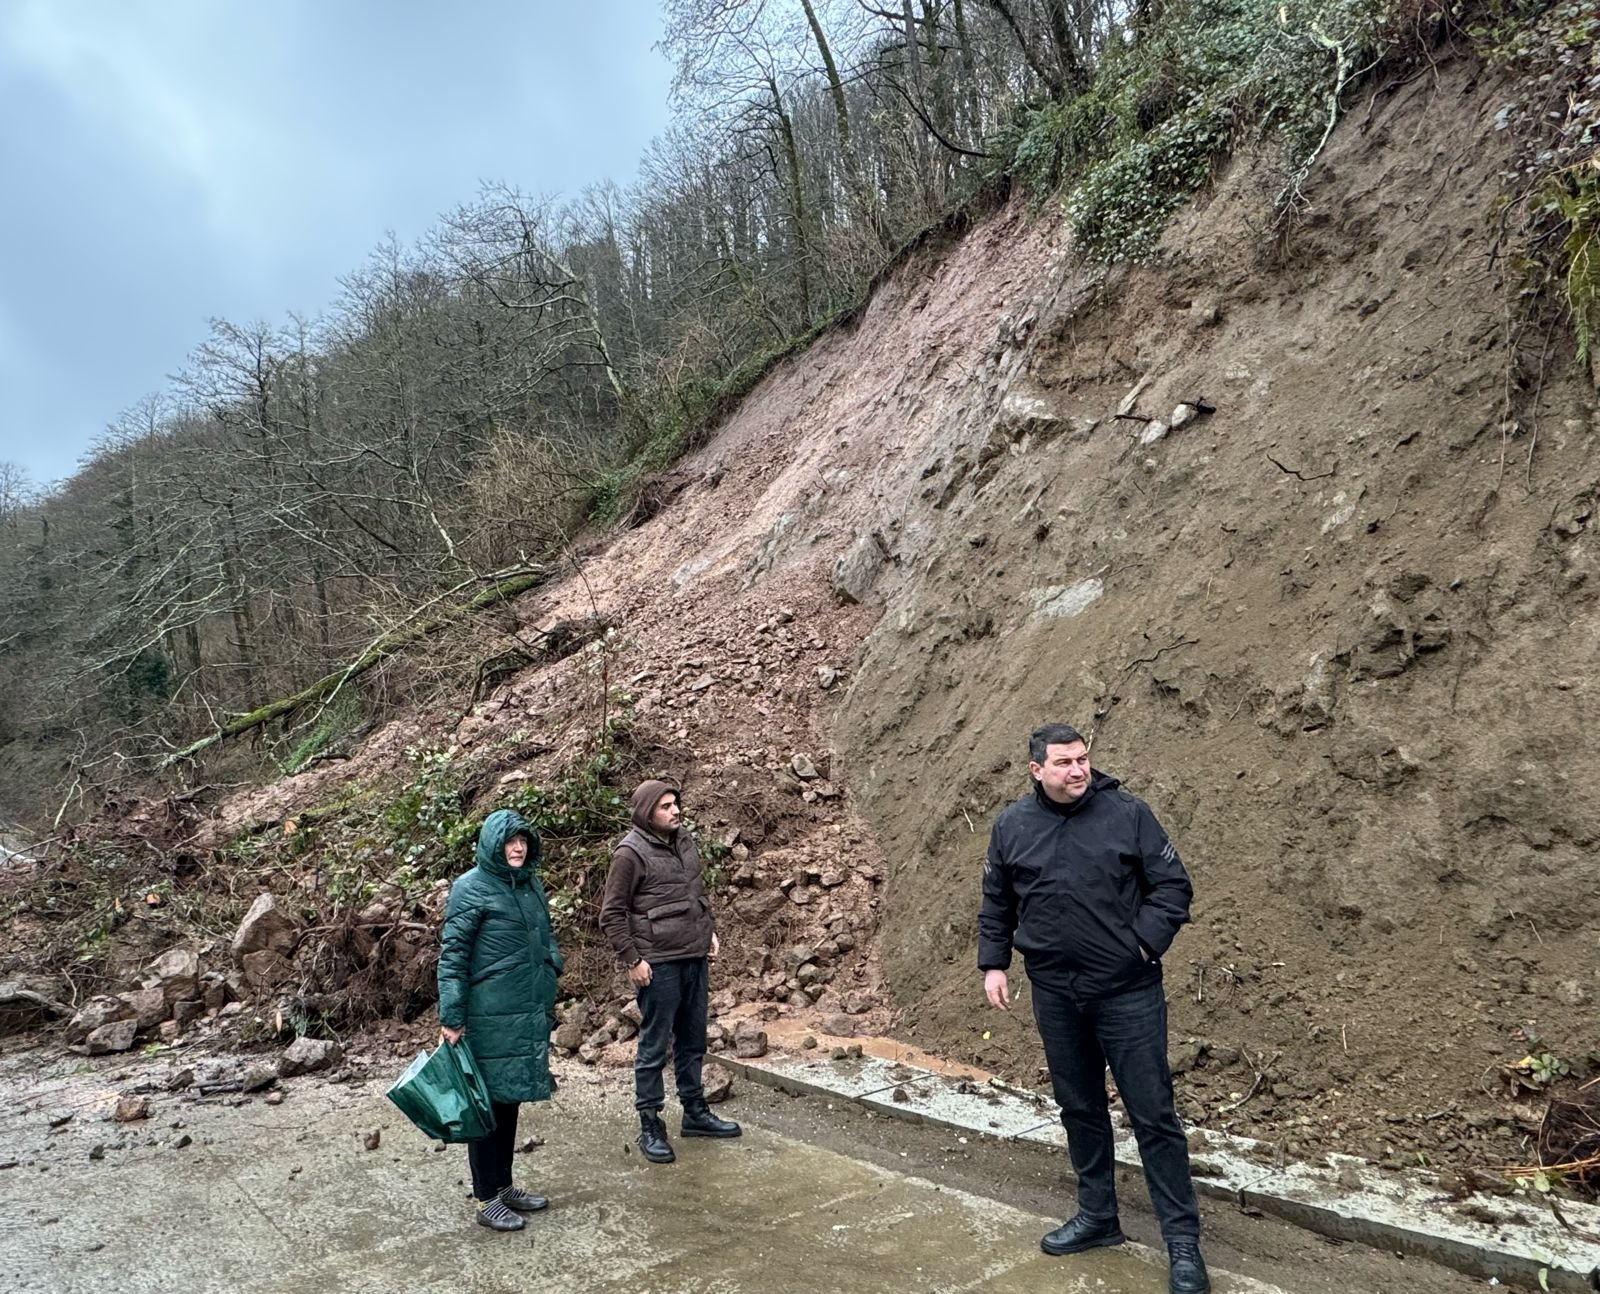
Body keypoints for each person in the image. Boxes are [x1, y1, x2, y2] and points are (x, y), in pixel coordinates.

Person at [978, 723, 1210, 1294]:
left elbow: (1172, 888)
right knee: (1079, 1108)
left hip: (1127, 992)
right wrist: (994, 963)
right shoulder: (1012, 826)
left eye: (1082, 759)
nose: (1078, 770)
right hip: (1056, 994)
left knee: (1153, 1116)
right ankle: (1098, 1216)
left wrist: (1141, 945)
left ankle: (1182, 1242)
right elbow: (997, 900)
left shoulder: (1128, 815)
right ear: (1037, 770)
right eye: (1064, 762)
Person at [599, 779, 740, 1163]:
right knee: (654, 1046)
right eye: (665, 806)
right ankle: (650, 1124)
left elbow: (696, 893)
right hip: (657, 963)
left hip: (694, 956)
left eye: (675, 803)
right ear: (647, 812)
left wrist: (709, 932)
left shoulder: (684, 840)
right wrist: (633, 960)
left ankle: (695, 1113)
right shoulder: (629, 853)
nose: (675, 810)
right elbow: (611, 914)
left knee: (692, 1040)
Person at [437, 808, 562, 1232]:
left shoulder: (530, 885)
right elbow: (453, 956)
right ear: (493, 844)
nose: (518, 847)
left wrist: (552, 966)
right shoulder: (469, 888)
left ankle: (504, 1186)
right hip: (486, 1016)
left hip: (524, 1012)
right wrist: (452, 1015)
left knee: (509, 1101)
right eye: (510, 841)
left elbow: (545, 937)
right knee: (485, 1107)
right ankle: (486, 1198)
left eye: (523, 840)